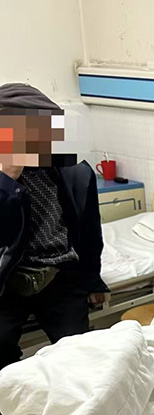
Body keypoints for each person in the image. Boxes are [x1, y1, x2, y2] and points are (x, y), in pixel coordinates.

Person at [0, 83, 108, 369]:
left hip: (61, 277)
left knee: (78, 356)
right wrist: (7, 180)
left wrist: (93, 280)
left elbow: (90, 233)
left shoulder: (75, 172)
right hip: (7, 282)